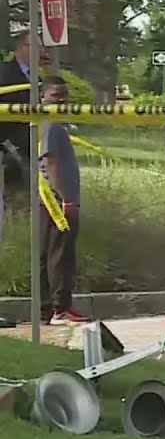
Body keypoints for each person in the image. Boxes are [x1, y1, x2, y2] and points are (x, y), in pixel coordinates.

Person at [38, 76, 89, 325]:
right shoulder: (51, 125)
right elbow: (51, 162)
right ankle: (60, 308)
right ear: (43, 97)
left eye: (64, 95)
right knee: (61, 254)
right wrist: (65, 198)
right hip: (55, 200)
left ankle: (49, 307)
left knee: (50, 253)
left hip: (52, 199)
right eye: (55, 95)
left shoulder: (54, 123)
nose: (61, 100)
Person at [0, 30, 36, 196]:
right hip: (10, 145)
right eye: (34, 46)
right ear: (22, 47)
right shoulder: (5, 73)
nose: (40, 51)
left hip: (32, 143)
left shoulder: (35, 77)